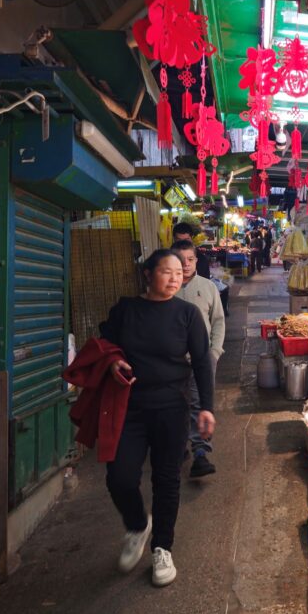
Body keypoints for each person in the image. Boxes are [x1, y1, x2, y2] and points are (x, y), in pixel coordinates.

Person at [98, 249, 215, 587]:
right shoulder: (125, 310)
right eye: (167, 271)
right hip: (129, 407)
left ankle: (162, 547)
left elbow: (202, 361)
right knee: (119, 477)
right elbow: (104, 345)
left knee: (166, 479)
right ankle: (137, 525)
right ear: (148, 274)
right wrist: (112, 363)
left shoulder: (188, 314)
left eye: (180, 272)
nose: (176, 277)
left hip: (172, 407)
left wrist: (206, 407)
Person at [173, 240, 225, 478]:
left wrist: (214, 352)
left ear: (196, 261)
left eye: (190, 259)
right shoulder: (166, 287)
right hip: (172, 361)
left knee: (199, 403)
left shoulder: (208, 287)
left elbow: (218, 322)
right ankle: (179, 445)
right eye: (180, 260)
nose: (186, 265)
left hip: (202, 359)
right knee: (177, 404)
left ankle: (201, 452)